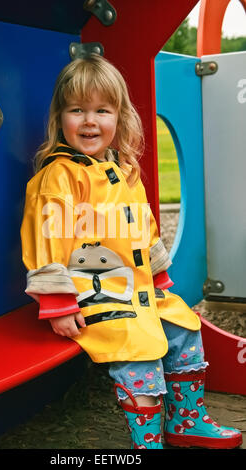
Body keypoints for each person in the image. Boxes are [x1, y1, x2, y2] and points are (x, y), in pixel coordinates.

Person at [20, 54, 242, 449]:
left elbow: (144, 227)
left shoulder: (123, 171)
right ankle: (147, 443)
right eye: (77, 110)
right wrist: (58, 302)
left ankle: (186, 421)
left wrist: (157, 279)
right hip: (94, 298)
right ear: (60, 117)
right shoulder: (60, 176)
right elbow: (46, 240)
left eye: (102, 110)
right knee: (139, 353)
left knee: (184, 328)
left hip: (136, 291)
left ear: (119, 117)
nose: (90, 121)